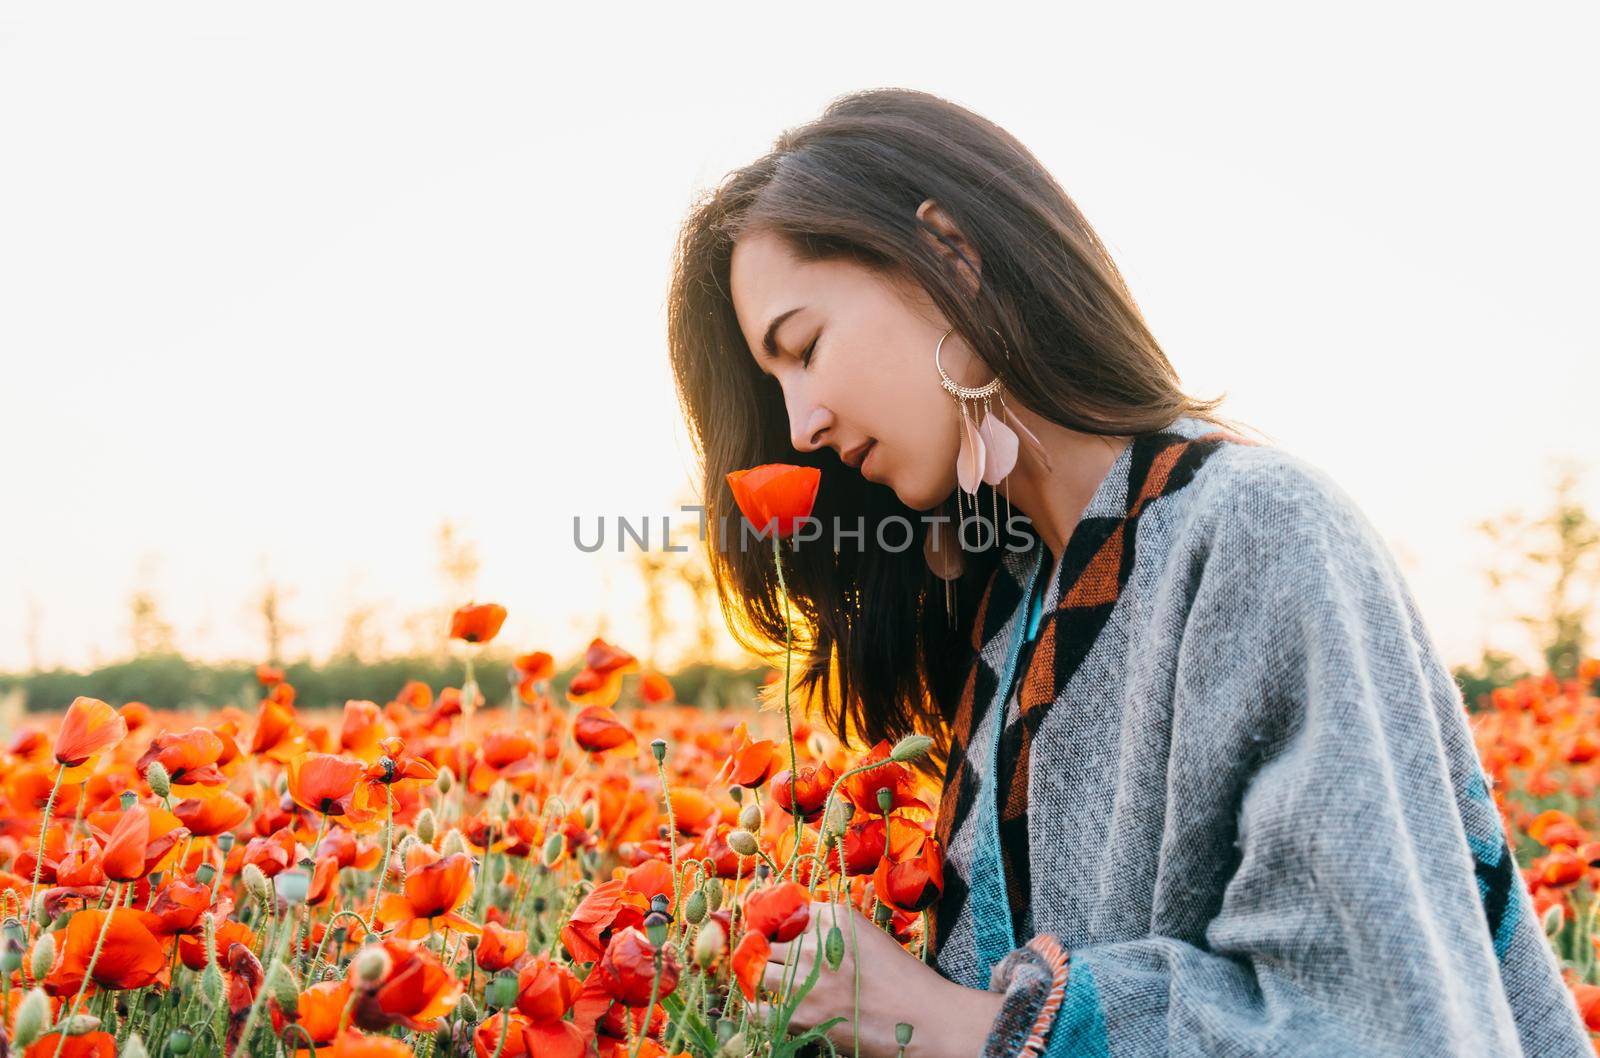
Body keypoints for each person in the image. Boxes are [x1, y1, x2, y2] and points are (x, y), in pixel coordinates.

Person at [664, 88, 1591, 1057]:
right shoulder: (1011, 607)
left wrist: (923, 1014)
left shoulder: (1254, 527)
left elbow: (1379, 1018)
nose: (802, 420)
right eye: (779, 386)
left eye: (804, 348)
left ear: (949, 252)